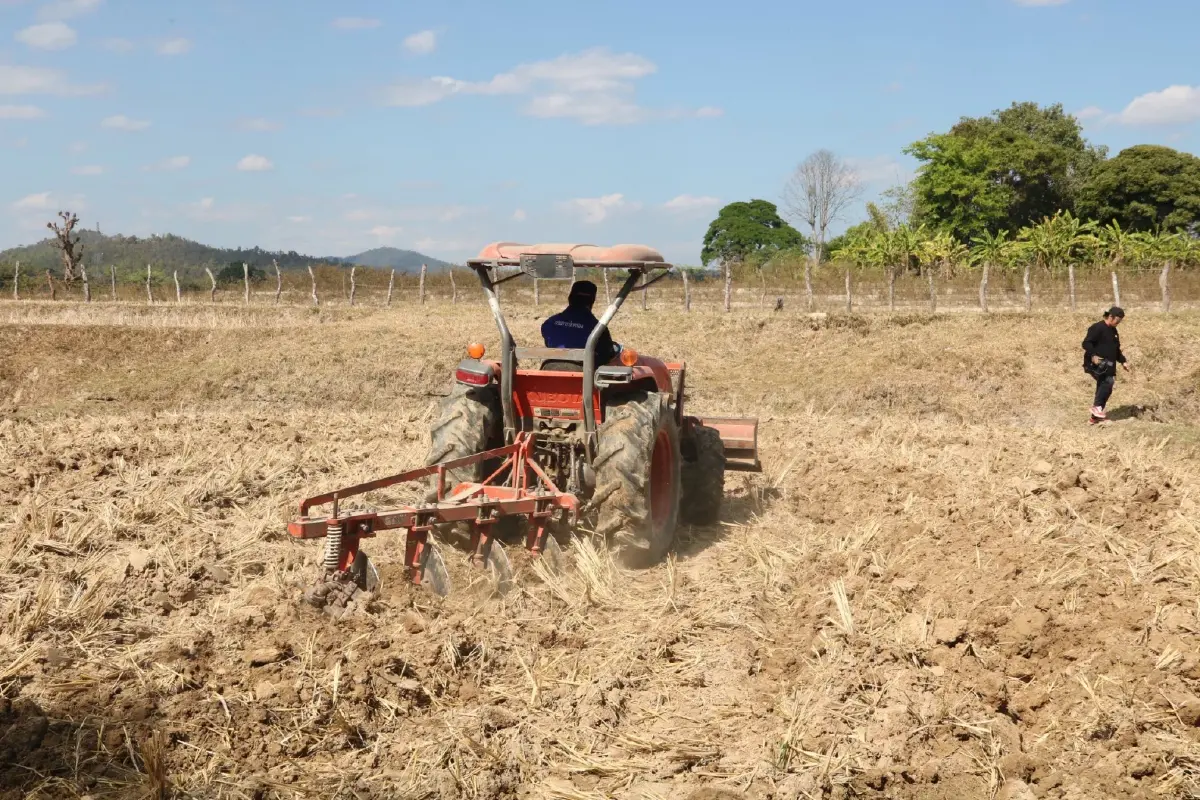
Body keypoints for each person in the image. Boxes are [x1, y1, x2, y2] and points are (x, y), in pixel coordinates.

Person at [541, 279, 621, 365]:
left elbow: (549, 342)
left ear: (570, 298)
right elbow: (607, 354)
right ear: (592, 301)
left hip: (550, 369)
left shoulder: (550, 322)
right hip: (582, 375)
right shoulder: (598, 328)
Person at [1082, 306, 1131, 425]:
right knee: (1108, 382)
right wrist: (1093, 355)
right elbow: (1086, 343)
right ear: (1110, 317)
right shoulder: (1097, 327)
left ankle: (1095, 417)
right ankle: (1097, 408)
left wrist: (1123, 361)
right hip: (1095, 363)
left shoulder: (1114, 331)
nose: (1118, 323)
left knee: (1104, 386)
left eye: (1120, 322)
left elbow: (1116, 350)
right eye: (1117, 321)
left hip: (1108, 364)